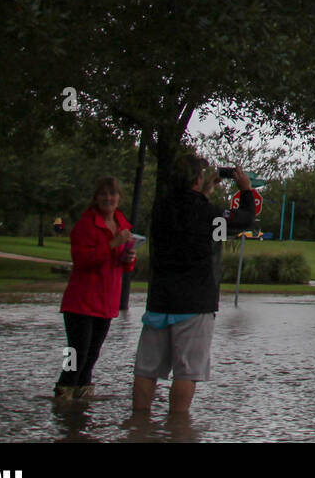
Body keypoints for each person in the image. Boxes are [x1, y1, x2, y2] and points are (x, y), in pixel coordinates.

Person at [132, 154, 254, 416]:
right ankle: (177, 428)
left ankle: (138, 424)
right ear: (198, 179)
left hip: (159, 299)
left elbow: (188, 214)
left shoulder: (161, 207)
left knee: (146, 368)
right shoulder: (206, 212)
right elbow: (243, 219)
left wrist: (203, 194)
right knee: (186, 372)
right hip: (194, 303)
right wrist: (245, 190)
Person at [55, 176, 135, 402]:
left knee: (91, 356)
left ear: (119, 198)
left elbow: (125, 266)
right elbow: (82, 260)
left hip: (106, 302)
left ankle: (80, 407)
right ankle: (63, 393)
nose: (108, 198)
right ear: (96, 198)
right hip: (80, 302)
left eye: (112, 194)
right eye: (103, 194)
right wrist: (112, 244)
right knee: (75, 354)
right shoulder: (85, 225)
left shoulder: (123, 227)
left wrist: (129, 257)